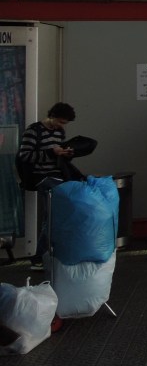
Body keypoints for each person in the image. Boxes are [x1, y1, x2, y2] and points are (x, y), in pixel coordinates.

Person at [16, 102, 80, 270]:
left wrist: (66, 154)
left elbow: (58, 155)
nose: (62, 126)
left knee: (54, 214)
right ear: (52, 116)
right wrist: (52, 152)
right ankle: (39, 255)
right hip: (41, 176)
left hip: (57, 175)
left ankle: (47, 253)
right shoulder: (33, 131)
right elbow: (25, 156)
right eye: (60, 122)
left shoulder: (59, 132)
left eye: (65, 123)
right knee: (53, 215)